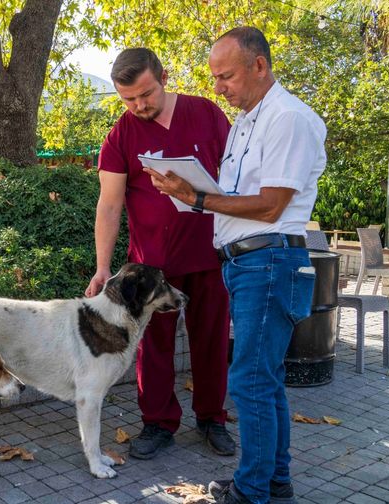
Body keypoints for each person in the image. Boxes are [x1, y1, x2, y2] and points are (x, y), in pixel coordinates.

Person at [148, 27, 327, 504]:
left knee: (247, 381)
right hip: (248, 263)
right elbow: (237, 199)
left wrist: (198, 197)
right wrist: (191, 194)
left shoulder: (287, 118)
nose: (218, 87)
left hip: (268, 261)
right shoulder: (248, 122)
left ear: (260, 66)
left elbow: (270, 206)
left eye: (225, 76)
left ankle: (251, 492)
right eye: (214, 78)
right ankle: (272, 482)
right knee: (262, 381)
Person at [85, 48, 235, 461]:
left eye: (145, 94)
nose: (139, 106)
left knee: (212, 340)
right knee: (152, 347)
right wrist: (102, 267)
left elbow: (238, 175)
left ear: (163, 76)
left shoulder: (206, 114)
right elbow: (109, 205)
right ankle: (157, 423)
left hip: (210, 254)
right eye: (129, 99)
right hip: (151, 269)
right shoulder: (121, 135)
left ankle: (212, 419)